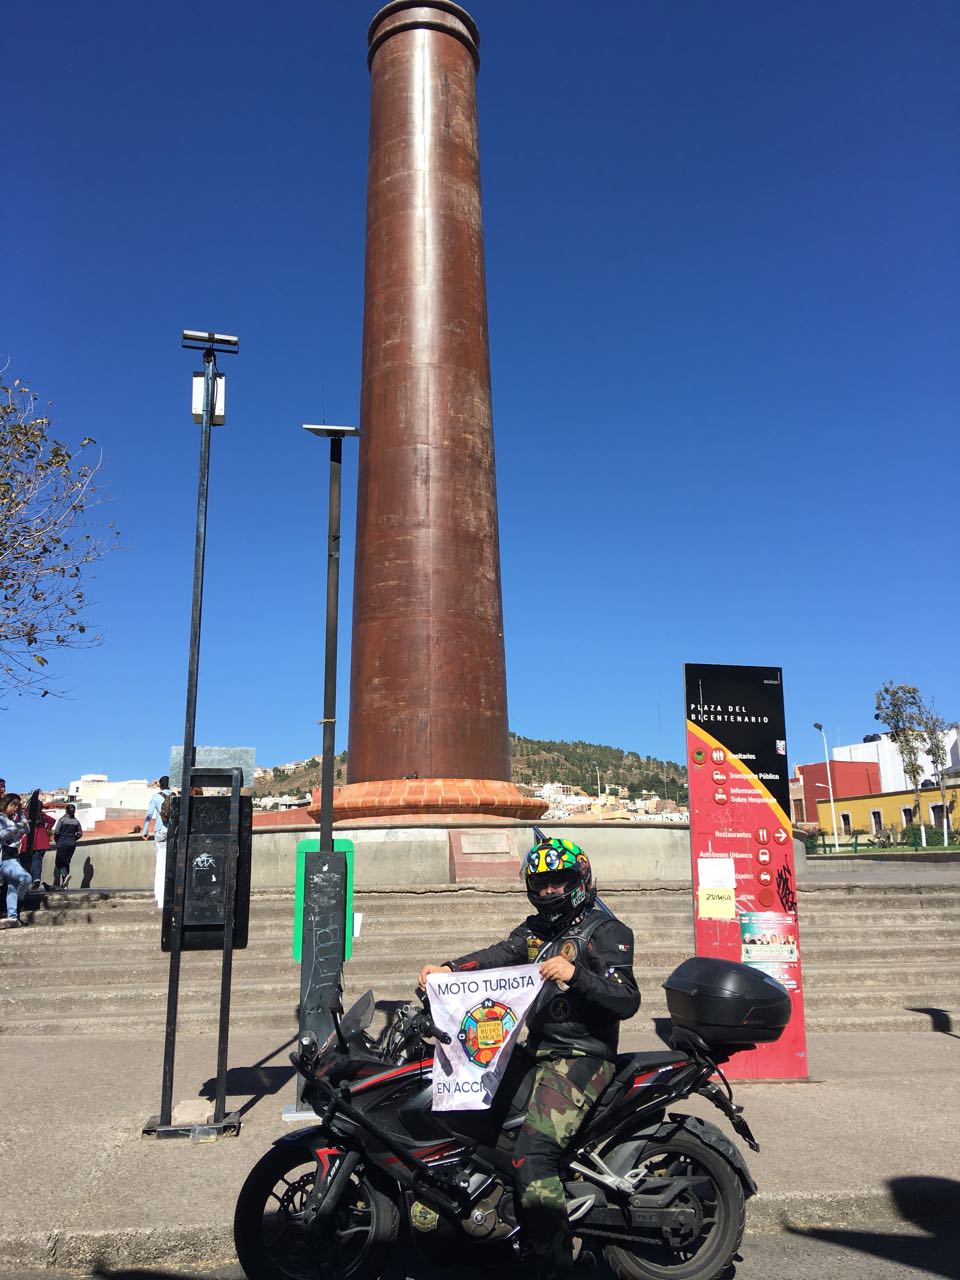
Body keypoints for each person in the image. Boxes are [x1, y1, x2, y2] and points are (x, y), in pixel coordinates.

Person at [418, 837, 640, 1279]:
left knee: (533, 1155)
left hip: (583, 1056)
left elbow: (627, 998)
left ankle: (552, 1265)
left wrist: (576, 975)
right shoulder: (536, 930)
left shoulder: (607, 931)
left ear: (579, 881)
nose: (551, 891)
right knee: (466, 1104)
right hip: (537, 1050)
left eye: (559, 881)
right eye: (542, 883)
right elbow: (498, 955)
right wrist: (449, 969)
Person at [0, 793, 33, 928]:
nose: (15, 808)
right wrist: (17, 826)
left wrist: (23, 819)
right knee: (26, 878)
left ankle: (12, 917)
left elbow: (27, 831)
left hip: (14, 857)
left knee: (12, 887)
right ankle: (20, 899)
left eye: (17, 806)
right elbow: (1, 834)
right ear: (5, 804)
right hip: (4, 858)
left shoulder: (13, 819)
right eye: (13, 805)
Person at [142, 776, 172, 909]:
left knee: (160, 864)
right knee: (170, 864)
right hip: (173, 832)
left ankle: (159, 897)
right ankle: (168, 896)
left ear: (160, 786)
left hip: (160, 831)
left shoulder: (156, 797)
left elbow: (149, 815)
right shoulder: (175, 796)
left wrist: (145, 831)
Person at [52, 804, 84, 888]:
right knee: (67, 862)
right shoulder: (76, 821)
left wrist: (57, 840)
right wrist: (74, 839)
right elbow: (80, 833)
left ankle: (65, 876)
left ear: (66, 810)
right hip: (72, 844)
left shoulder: (62, 820)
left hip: (62, 843)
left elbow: (56, 832)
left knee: (58, 862)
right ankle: (65, 883)